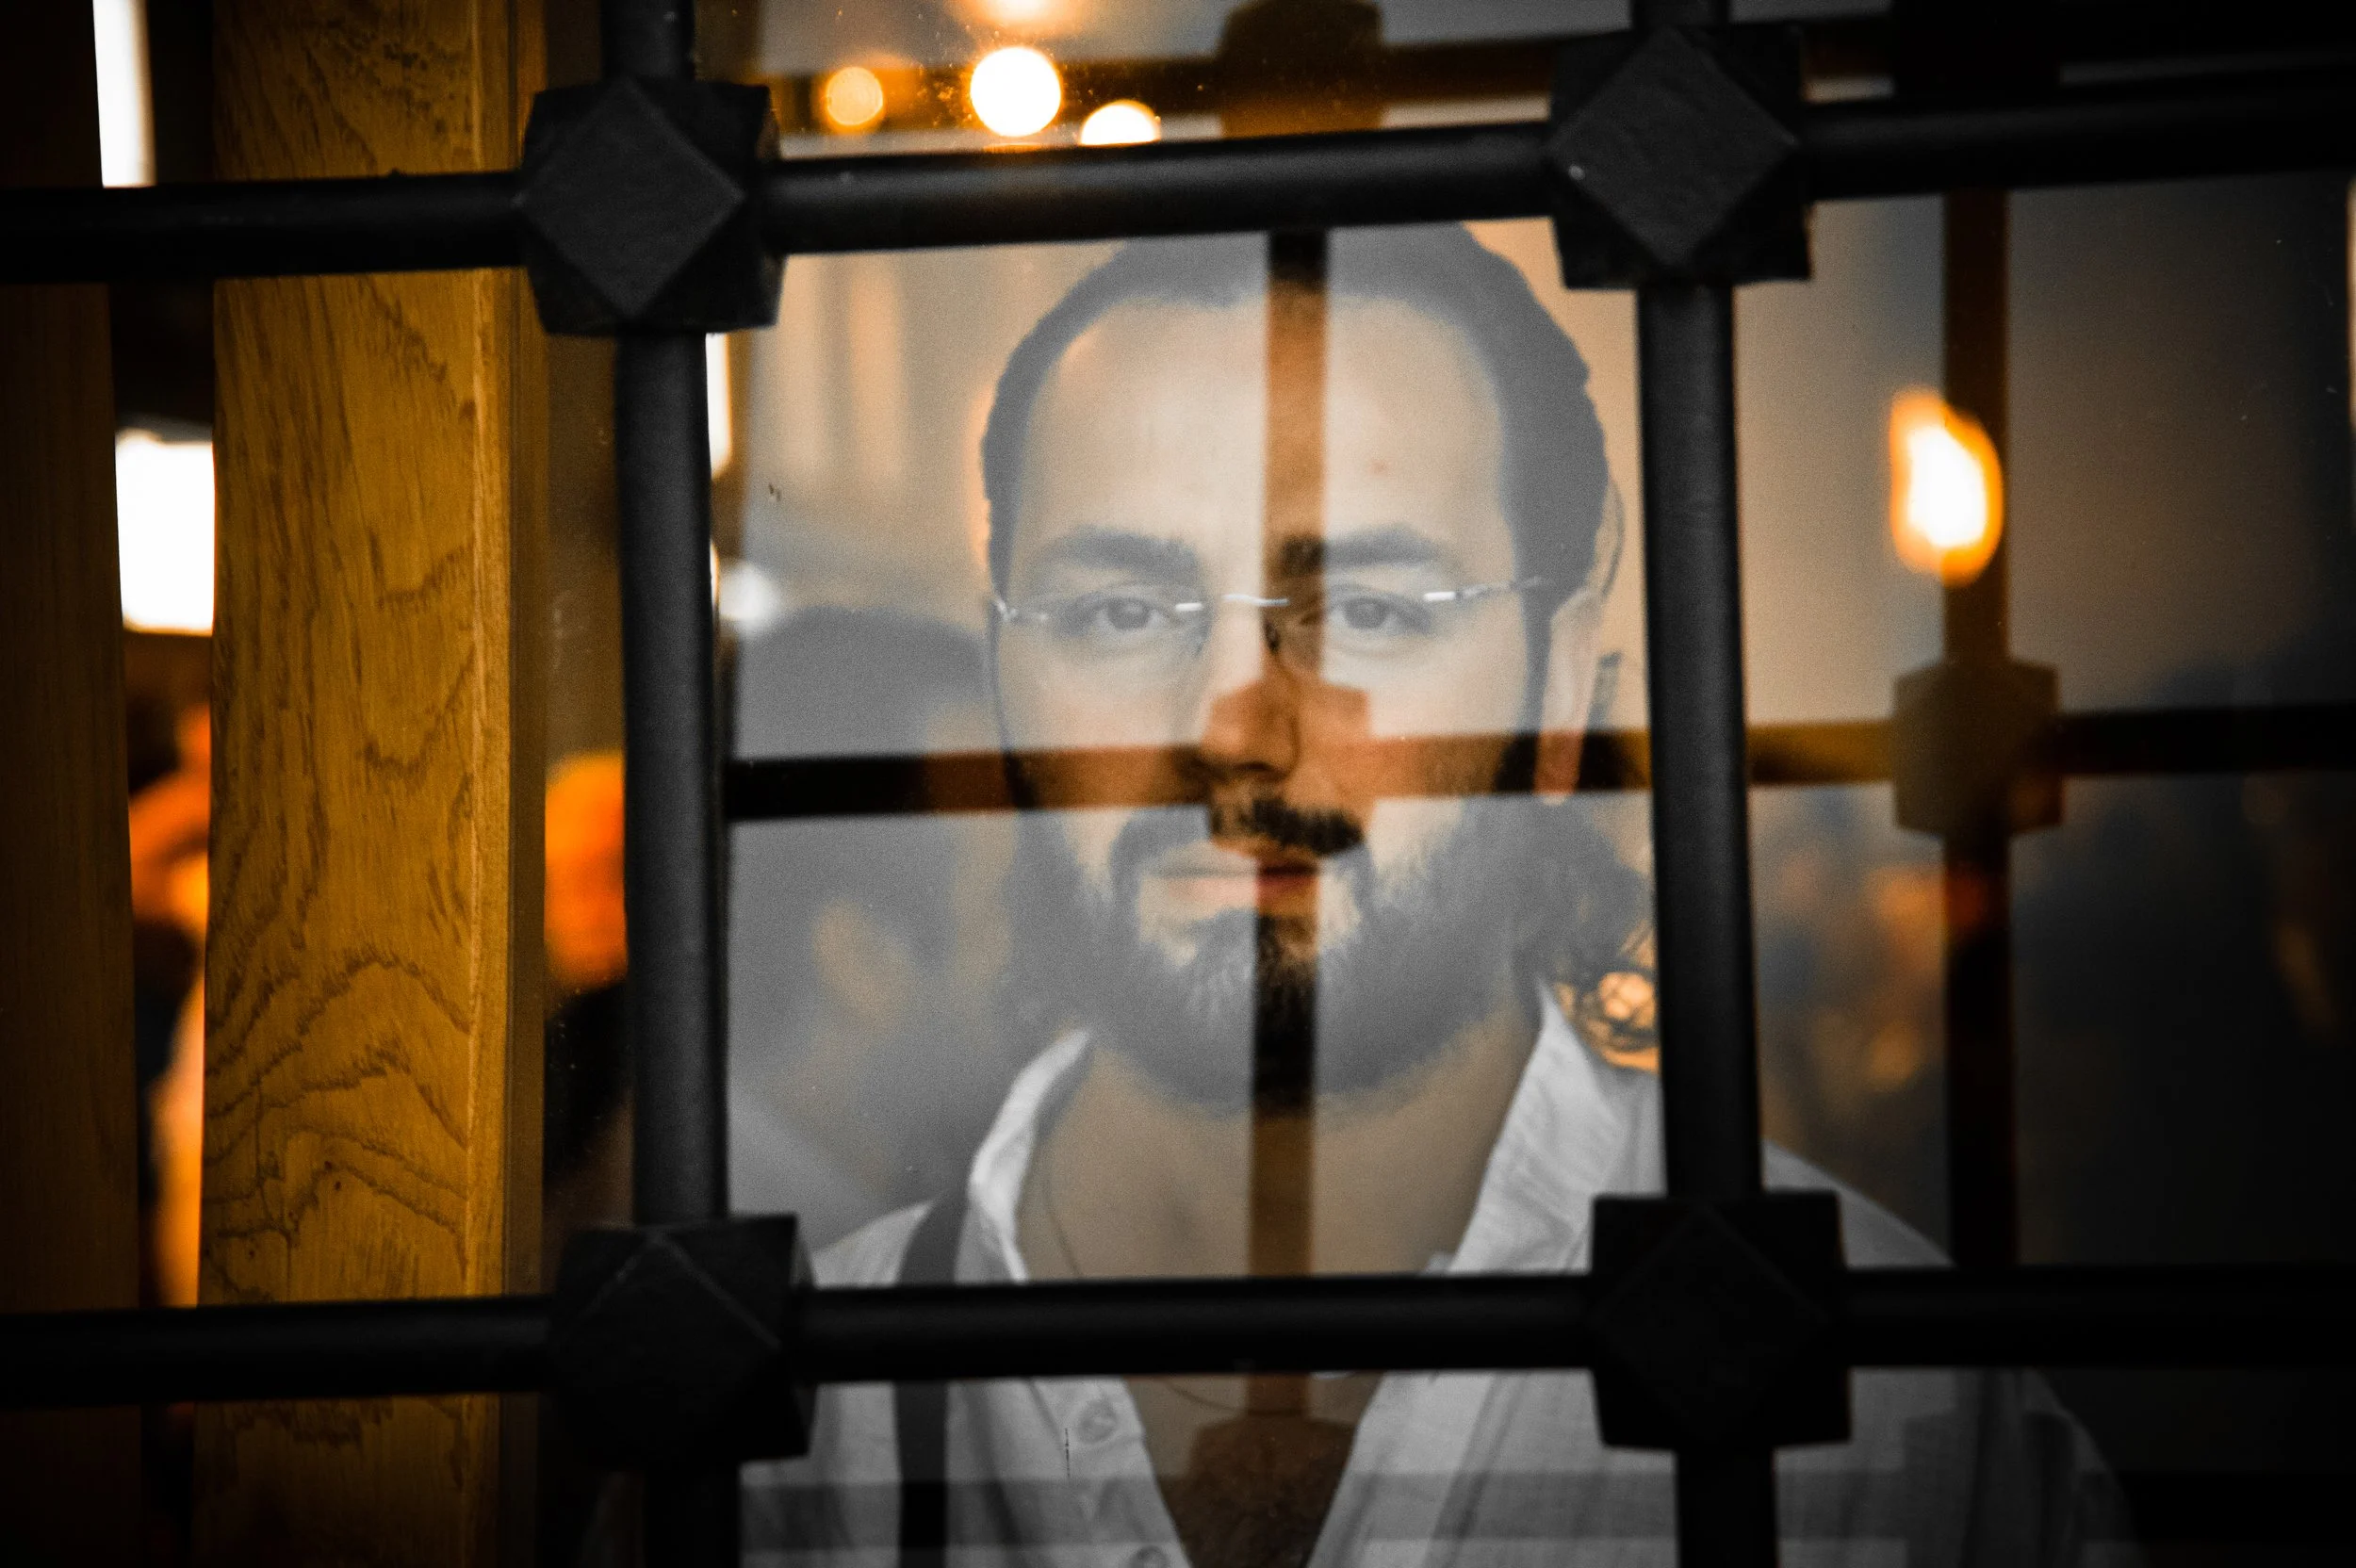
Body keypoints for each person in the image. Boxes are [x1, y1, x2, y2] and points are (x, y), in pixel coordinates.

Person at [743, 227, 2123, 1566]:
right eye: (1121, 612)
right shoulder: (781, 1426)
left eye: (1371, 611)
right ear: (1003, 681)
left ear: (1562, 688)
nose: (1234, 729)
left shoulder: (1898, 1408)